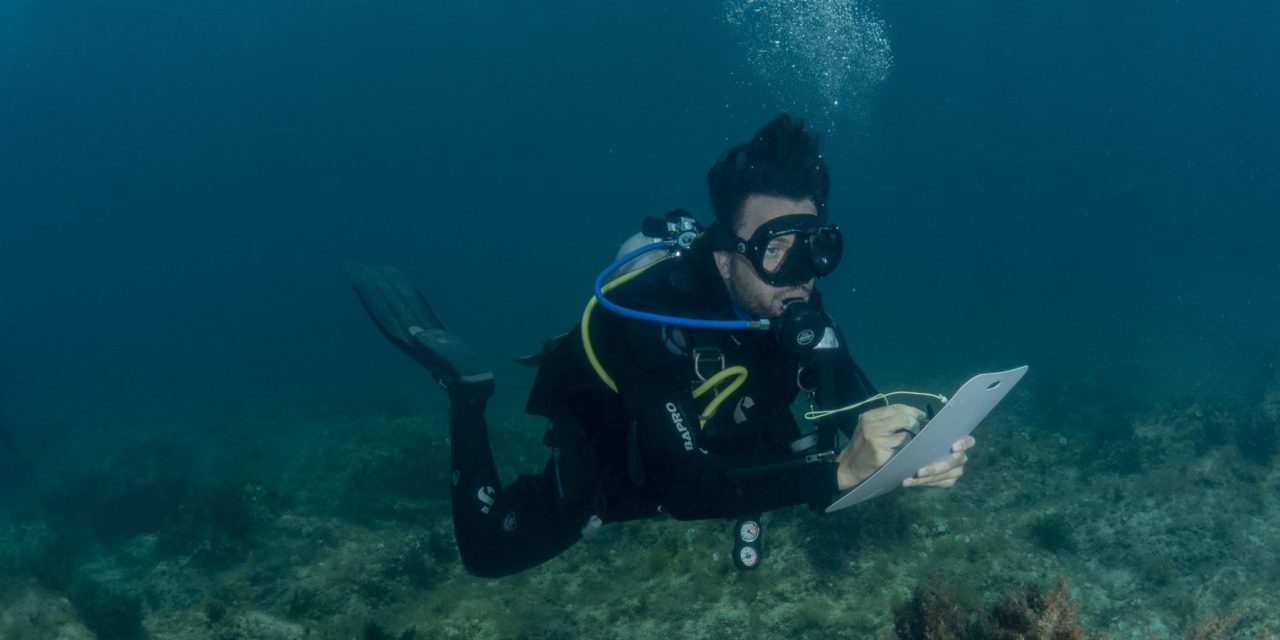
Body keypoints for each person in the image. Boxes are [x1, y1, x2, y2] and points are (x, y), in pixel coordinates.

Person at [347, 113, 975, 578]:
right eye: (775, 250)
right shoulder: (651, 313)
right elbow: (682, 489)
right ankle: (465, 394)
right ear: (726, 257)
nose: (799, 274)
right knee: (487, 553)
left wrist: (918, 448)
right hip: (626, 459)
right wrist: (834, 472)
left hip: (722, 444)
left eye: (813, 248)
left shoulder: (791, 295)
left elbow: (851, 397)